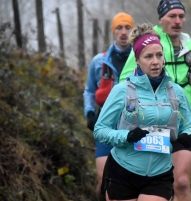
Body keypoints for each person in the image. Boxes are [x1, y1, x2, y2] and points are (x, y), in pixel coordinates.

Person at [94, 23, 191, 201]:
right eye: (148, 56)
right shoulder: (121, 90)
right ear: (137, 60)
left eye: (159, 55)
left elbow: (189, 125)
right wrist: (126, 136)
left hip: (160, 172)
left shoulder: (176, 91)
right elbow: (100, 130)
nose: (155, 61)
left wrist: (188, 135)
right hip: (123, 171)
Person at [119, 1, 191, 200]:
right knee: (158, 182)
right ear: (161, 18)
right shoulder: (150, 42)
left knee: (182, 182)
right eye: (172, 16)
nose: (177, 21)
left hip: (183, 122)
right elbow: (125, 79)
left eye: (181, 16)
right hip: (153, 122)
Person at [83, 12, 134, 201]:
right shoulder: (99, 61)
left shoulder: (141, 59)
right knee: (104, 179)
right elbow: (89, 91)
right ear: (113, 31)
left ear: (132, 31)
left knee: (129, 179)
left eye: (127, 27)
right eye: (119, 28)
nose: (123, 32)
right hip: (106, 123)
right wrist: (89, 113)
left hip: (132, 124)